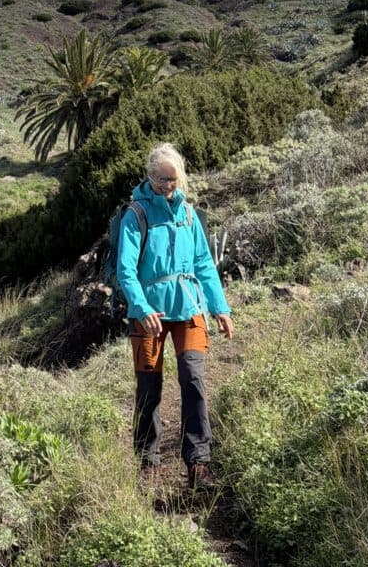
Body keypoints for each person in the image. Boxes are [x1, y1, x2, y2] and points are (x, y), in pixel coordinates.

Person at [116, 142, 233, 490]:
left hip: (188, 307)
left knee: (193, 379)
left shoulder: (188, 214)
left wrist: (220, 307)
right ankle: (148, 464)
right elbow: (125, 270)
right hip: (148, 313)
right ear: (149, 176)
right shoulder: (135, 215)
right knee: (149, 388)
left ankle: (199, 463)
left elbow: (203, 265)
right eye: (162, 179)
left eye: (174, 179)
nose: (169, 185)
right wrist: (142, 307)